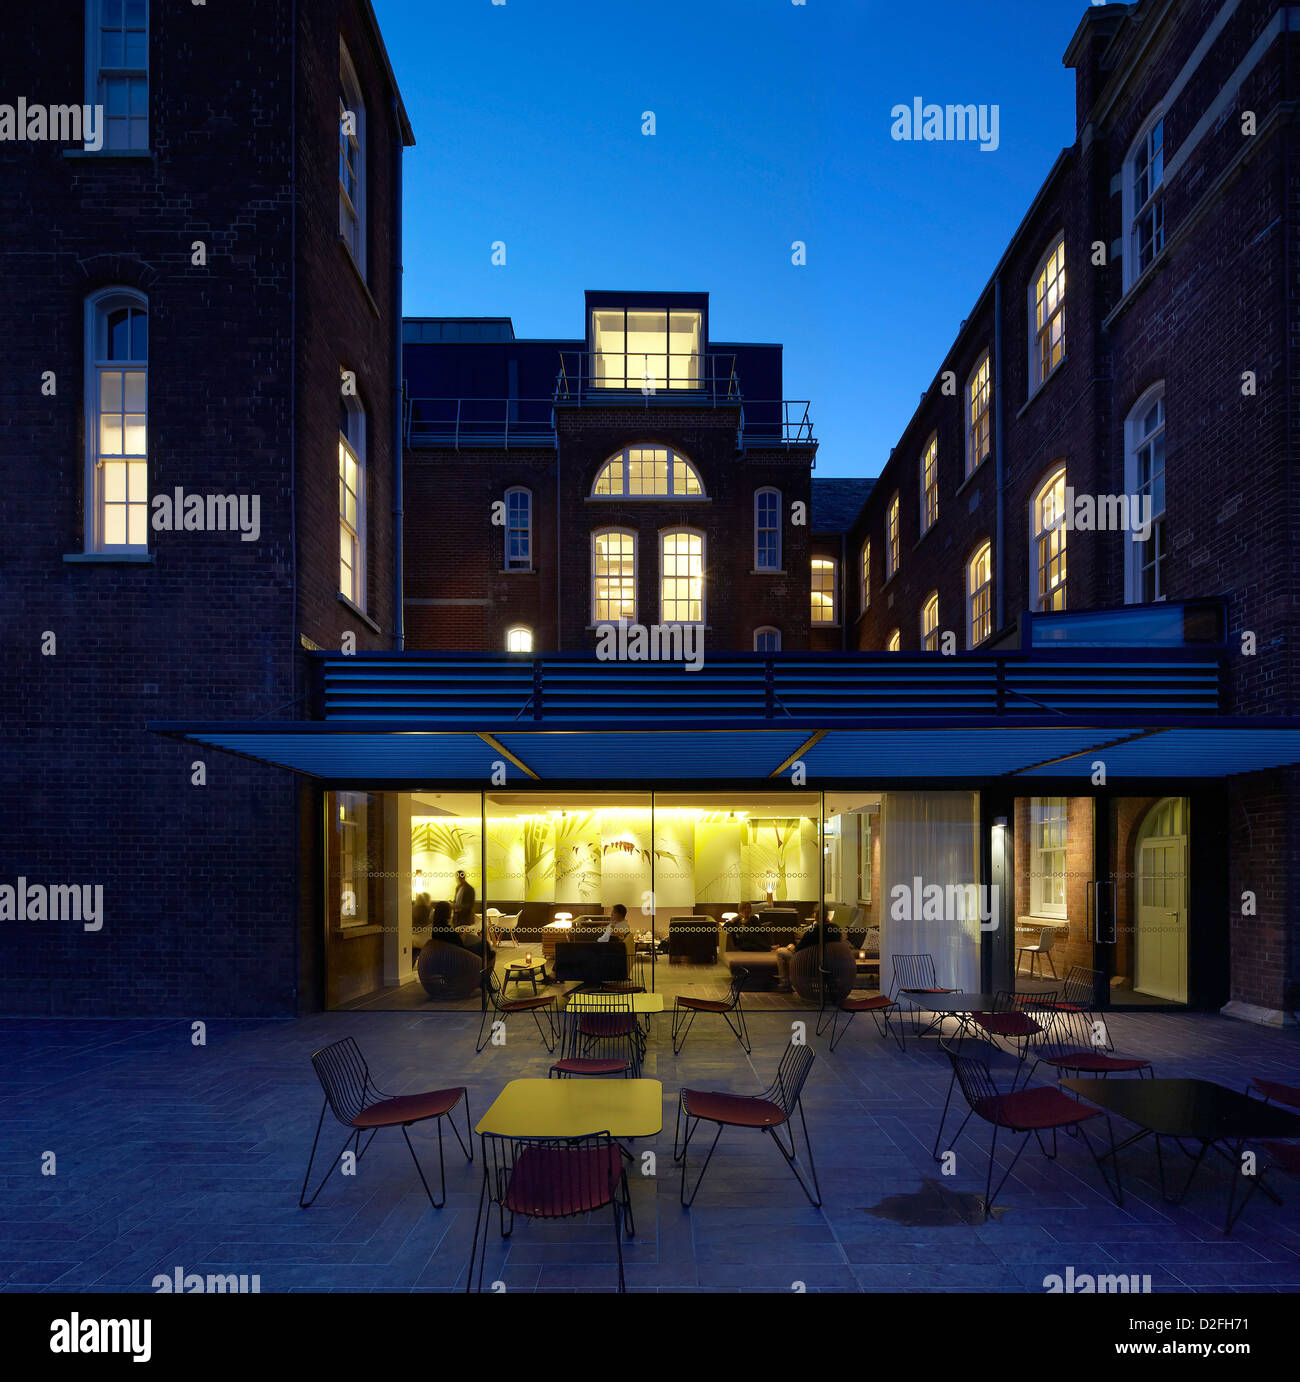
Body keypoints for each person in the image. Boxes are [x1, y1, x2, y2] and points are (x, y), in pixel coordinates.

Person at [774, 909, 842, 992]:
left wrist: (792, 947)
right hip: (829, 962)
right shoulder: (835, 929)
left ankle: (785, 984)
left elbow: (798, 949)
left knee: (781, 951)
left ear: (816, 916)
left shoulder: (813, 932)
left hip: (808, 963)